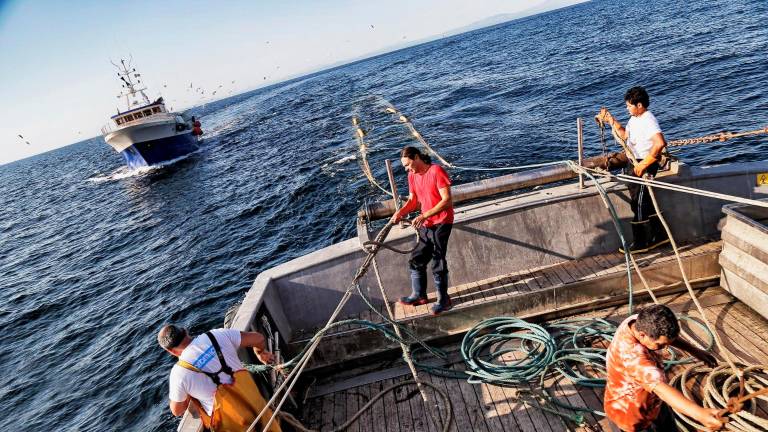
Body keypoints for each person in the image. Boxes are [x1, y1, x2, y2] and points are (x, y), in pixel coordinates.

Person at [604, 304, 726, 432]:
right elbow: (661, 388)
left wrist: (694, 350)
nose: (665, 348)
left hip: (653, 403)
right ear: (642, 335)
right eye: (660, 345)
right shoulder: (632, 357)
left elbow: (665, 337)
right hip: (630, 415)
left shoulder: (637, 321)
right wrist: (699, 414)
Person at [158, 324, 281, 432]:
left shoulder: (179, 373)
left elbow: (177, 410)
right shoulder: (216, 335)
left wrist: (189, 392)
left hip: (234, 426)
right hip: (259, 409)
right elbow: (258, 338)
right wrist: (260, 353)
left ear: (171, 352)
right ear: (185, 331)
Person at [596, 86, 670, 253]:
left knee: (638, 203)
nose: (627, 108)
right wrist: (610, 119)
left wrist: (644, 164)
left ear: (639, 105)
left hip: (644, 165)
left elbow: (660, 143)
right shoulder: (635, 119)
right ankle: (660, 236)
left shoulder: (648, 119)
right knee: (644, 202)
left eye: (629, 105)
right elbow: (624, 135)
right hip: (634, 162)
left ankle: (641, 243)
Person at [390, 146, 454, 315]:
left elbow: (446, 201)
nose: (406, 168)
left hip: (442, 222)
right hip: (426, 223)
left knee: (437, 261)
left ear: (417, 157)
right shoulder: (412, 176)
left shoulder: (436, 171)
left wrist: (424, 215)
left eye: (407, 164)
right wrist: (400, 212)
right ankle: (419, 295)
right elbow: (413, 201)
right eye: (404, 166)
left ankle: (444, 300)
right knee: (417, 258)